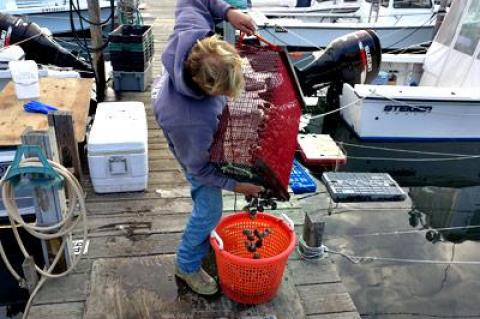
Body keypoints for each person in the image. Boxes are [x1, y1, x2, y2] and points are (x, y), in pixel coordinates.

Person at [153, 0, 263, 296]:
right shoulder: (191, 121)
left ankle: (196, 253)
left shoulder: (195, 32)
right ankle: (186, 265)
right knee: (210, 207)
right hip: (176, 118)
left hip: (175, 85)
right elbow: (199, 169)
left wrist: (229, 12)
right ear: (210, 91)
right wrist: (236, 186)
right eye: (228, 92)